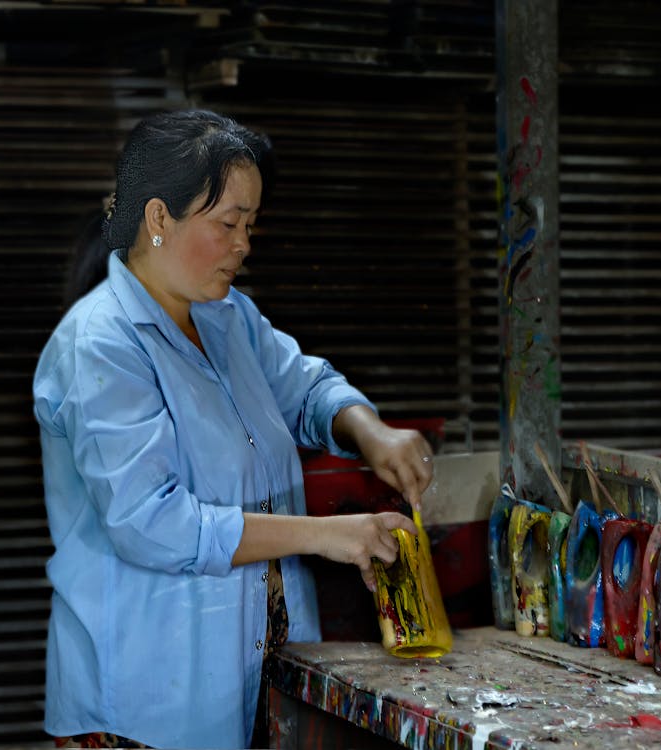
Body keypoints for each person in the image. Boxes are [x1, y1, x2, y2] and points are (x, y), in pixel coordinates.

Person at [32, 108, 435, 749]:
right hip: (145, 708)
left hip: (252, 680)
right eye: (227, 224)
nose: (244, 245)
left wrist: (370, 431)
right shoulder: (99, 344)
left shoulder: (228, 320)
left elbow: (307, 386)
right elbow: (150, 523)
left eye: (250, 224)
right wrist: (326, 536)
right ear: (159, 218)